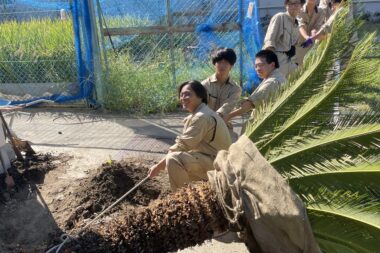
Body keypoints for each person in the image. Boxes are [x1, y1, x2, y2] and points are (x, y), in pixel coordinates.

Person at [148, 80, 232, 191]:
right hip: (211, 160)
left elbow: (183, 145)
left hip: (218, 164)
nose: (183, 97)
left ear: (200, 96)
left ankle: (181, 199)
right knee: (178, 161)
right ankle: (198, 191)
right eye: (181, 95)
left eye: (188, 94)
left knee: (174, 159)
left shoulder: (201, 117)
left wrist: (157, 167)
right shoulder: (198, 115)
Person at [224, 50, 286, 123]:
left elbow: (250, 104)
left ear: (272, 65)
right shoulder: (276, 76)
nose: (257, 69)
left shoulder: (272, 82)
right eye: (256, 66)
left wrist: (228, 116)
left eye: (260, 65)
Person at [263, 0, 304, 77]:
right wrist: (270, 64)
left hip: (290, 62)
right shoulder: (280, 17)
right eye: (291, 4)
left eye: (297, 3)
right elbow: (270, 41)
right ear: (286, 5)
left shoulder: (296, 23)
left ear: (301, 5)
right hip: (277, 61)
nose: (294, 6)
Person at [201, 48, 242, 123]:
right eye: (219, 62)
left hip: (224, 124)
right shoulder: (204, 85)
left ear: (231, 66)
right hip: (205, 122)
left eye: (226, 62)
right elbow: (201, 107)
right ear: (214, 64)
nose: (222, 65)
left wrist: (216, 118)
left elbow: (227, 106)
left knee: (234, 135)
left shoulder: (236, 89)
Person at [295, 0, 325, 65]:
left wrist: (314, 34)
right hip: (299, 46)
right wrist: (307, 37)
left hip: (312, 47)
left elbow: (317, 26)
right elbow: (300, 26)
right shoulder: (299, 10)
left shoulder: (321, 11)